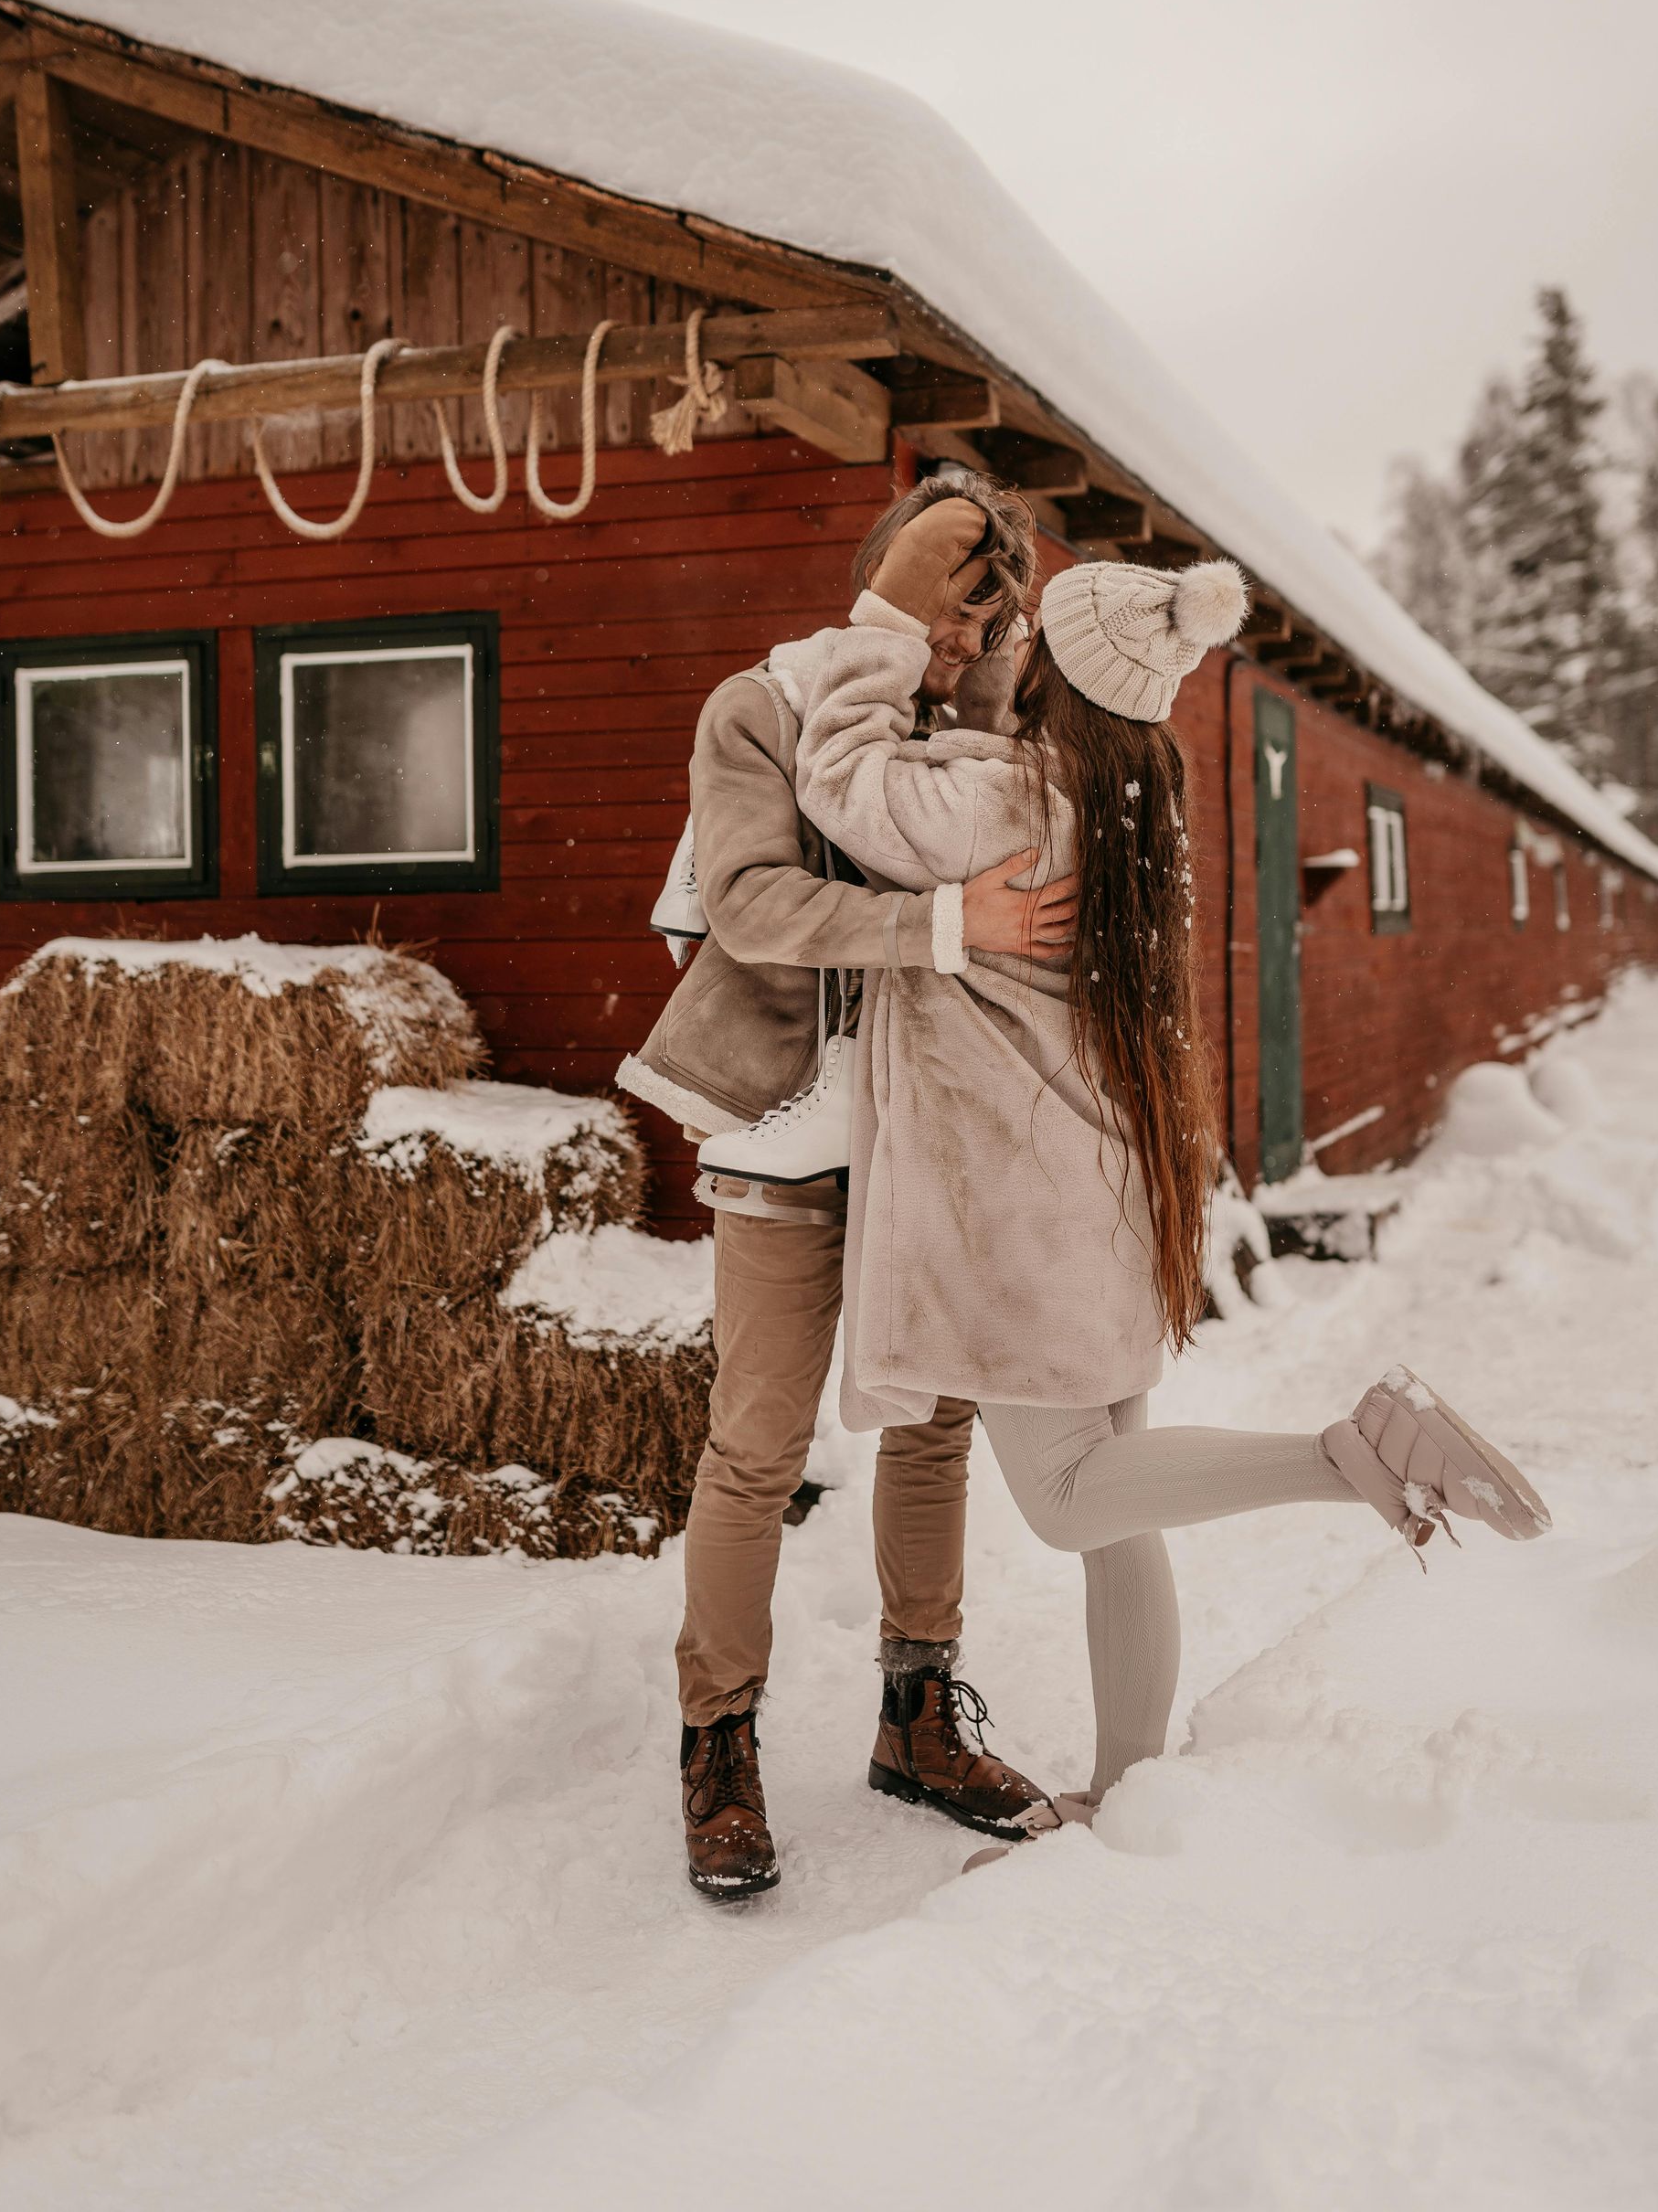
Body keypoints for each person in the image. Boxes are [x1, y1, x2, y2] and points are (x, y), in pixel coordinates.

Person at [792, 494, 1552, 1827]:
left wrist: (889, 621)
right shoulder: (1130, 796)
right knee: (1122, 1511)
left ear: (1058, 671)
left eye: (1024, 634)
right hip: (1108, 1191)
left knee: (1076, 1501)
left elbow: (842, 781)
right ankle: (1132, 1794)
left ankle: (1355, 1454)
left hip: (1022, 1212)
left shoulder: (1005, 797)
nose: (1005, 643)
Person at [619, 477, 1072, 1903]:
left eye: (984, 625)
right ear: (888, 591)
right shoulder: (758, 707)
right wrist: (945, 920)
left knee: (932, 1434)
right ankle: (718, 1741)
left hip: (926, 1148)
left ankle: (917, 1716)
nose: (959, 649)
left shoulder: (979, 736)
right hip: (779, 1139)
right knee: (755, 1447)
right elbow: (750, 901)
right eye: (945, 617)